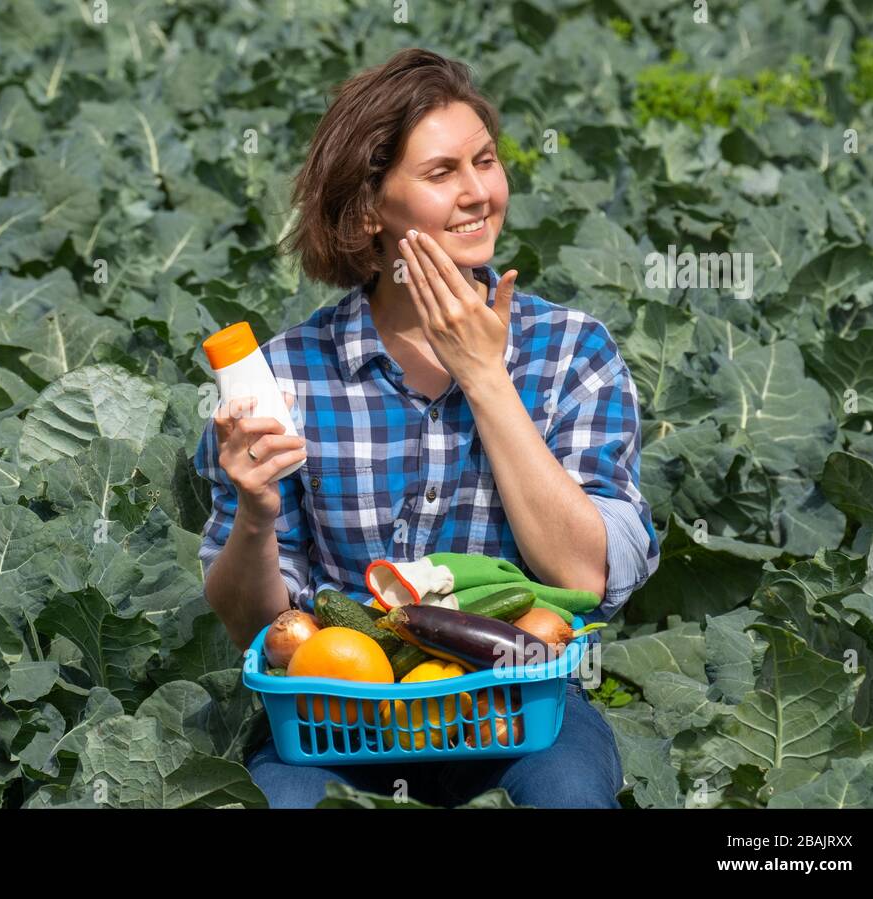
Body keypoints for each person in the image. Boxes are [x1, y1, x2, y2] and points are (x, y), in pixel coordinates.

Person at [192, 48, 660, 808]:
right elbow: (260, 625)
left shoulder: (575, 351)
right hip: (338, 713)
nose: (479, 192)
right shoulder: (286, 377)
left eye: (487, 160)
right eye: (443, 173)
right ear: (371, 209)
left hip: (523, 714)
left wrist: (485, 378)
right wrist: (254, 513)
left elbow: (583, 579)